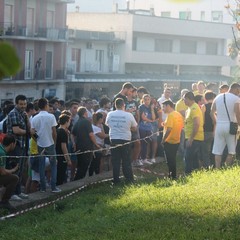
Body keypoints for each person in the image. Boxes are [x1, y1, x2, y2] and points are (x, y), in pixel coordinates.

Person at [31, 98, 61, 193]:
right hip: (50, 143)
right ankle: (53, 187)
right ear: (46, 105)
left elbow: (32, 132)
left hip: (40, 143)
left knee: (41, 165)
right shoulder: (51, 116)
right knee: (53, 165)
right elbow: (54, 132)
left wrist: (37, 139)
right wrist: (54, 143)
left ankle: (43, 188)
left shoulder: (34, 118)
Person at [106, 98, 137, 184]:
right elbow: (134, 128)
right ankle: (129, 178)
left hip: (114, 139)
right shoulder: (129, 115)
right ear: (124, 105)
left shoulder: (110, 114)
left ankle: (116, 179)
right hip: (125, 139)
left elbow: (108, 124)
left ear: (115, 105)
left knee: (115, 160)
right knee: (126, 159)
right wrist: (127, 128)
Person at [6, 94, 30, 201]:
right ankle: (11, 194)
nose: (23, 106)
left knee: (20, 170)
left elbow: (28, 127)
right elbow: (16, 130)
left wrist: (27, 118)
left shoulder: (23, 114)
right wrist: (28, 132)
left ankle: (18, 192)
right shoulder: (14, 113)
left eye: (24, 104)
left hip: (23, 145)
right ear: (16, 103)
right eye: (21, 104)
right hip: (15, 146)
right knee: (14, 170)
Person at [211, 83, 240, 168]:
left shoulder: (218, 97)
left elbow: (211, 112)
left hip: (219, 126)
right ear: (237, 89)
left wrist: (216, 122)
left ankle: (217, 169)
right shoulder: (236, 99)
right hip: (231, 126)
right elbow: (237, 113)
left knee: (218, 151)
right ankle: (226, 168)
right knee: (231, 151)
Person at [71, 107, 100, 180]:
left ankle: (77, 180)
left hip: (79, 146)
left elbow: (72, 134)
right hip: (86, 147)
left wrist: (74, 143)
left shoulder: (77, 122)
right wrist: (96, 144)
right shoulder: (86, 122)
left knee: (80, 165)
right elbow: (91, 134)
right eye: (86, 112)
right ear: (84, 113)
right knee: (84, 166)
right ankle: (78, 182)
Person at [161, 100, 183, 179]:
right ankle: (173, 175)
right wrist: (165, 124)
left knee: (169, 160)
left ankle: (172, 176)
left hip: (169, 141)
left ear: (168, 106)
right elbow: (179, 126)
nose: (162, 109)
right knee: (173, 159)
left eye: (163, 107)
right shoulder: (178, 114)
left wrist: (163, 140)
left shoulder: (170, 115)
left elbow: (169, 129)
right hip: (176, 140)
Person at [183, 91, 204, 174]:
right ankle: (195, 174)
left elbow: (197, 123)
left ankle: (187, 175)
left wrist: (191, 139)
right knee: (193, 158)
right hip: (189, 137)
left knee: (187, 158)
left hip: (194, 138)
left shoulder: (194, 108)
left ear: (188, 99)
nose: (183, 101)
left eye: (184, 99)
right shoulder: (189, 108)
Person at [0, 135, 19, 210]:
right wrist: (13, 170)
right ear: (12, 144)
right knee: (14, 178)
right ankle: (4, 202)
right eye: (15, 144)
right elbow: (2, 172)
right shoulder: (2, 153)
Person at [89, 112, 108, 176]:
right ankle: (93, 175)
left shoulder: (97, 126)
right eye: (102, 118)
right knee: (95, 162)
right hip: (97, 146)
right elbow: (103, 136)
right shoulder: (95, 128)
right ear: (100, 119)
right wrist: (110, 135)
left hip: (100, 145)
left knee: (98, 161)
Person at [138, 94, 156, 165]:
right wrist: (151, 121)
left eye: (148, 99)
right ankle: (139, 159)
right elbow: (143, 117)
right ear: (143, 100)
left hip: (148, 128)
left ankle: (144, 158)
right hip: (142, 127)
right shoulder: (141, 107)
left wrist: (152, 109)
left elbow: (154, 117)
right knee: (142, 143)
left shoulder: (150, 107)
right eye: (145, 99)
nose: (147, 101)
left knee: (146, 143)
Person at [56, 114, 72, 185]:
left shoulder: (57, 130)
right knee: (61, 175)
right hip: (62, 157)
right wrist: (68, 159)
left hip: (57, 154)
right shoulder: (62, 132)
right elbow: (64, 147)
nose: (69, 123)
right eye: (69, 121)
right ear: (66, 122)